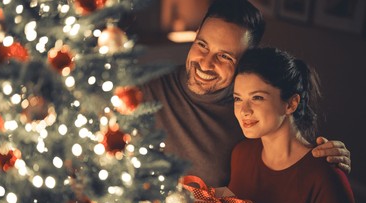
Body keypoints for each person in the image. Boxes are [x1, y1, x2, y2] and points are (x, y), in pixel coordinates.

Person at [140, 0, 351, 187]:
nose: (205, 63)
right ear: (195, 37)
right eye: (202, 45)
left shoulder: (250, 110)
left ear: (245, 60)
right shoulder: (147, 87)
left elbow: (292, 161)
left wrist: (329, 159)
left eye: (224, 56)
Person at [228, 47, 356, 203]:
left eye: (257, 97)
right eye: (237, 98)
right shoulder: (241, 154)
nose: (244, 110)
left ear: (291, 103)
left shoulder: (325, 179)